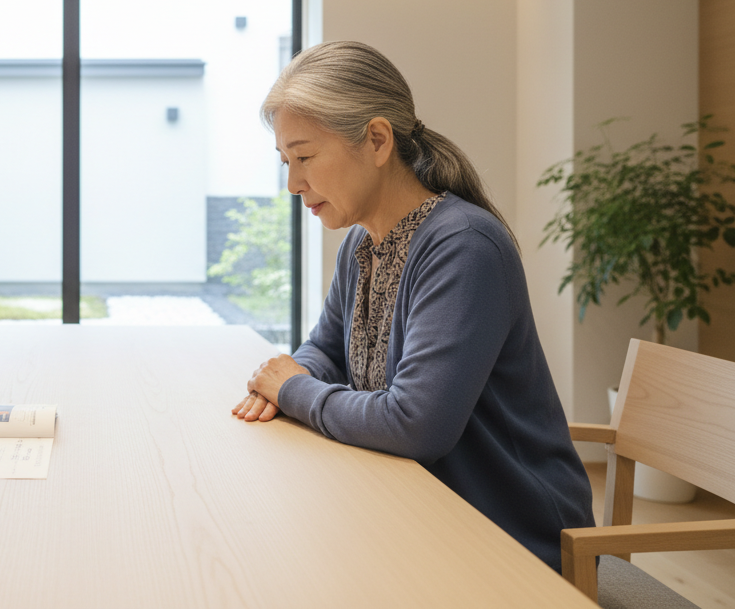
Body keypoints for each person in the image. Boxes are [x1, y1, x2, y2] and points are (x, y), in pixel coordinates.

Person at [233, 41, 593, 572]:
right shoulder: (362, 243)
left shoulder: (465, 247)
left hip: (511, 536)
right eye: (286, 161)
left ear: (377, 140)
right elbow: (326, 349)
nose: (293, 183)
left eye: (305, 157)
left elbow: (415, 425)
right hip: (417, 507)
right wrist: (292, 381)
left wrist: (292, 388)